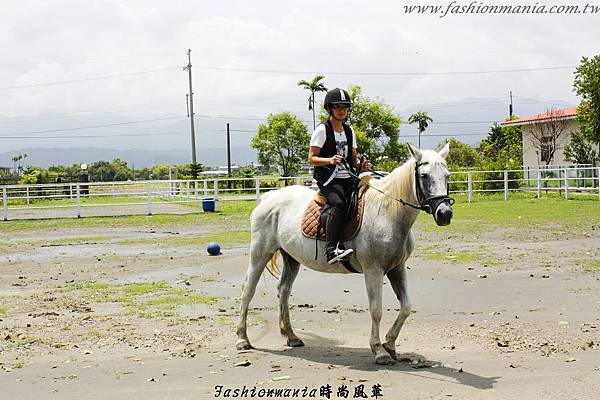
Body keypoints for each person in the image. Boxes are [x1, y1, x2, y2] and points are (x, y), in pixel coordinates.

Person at [308, 88, 371, 264]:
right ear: (330, 109)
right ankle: (331, 250)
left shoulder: (349, 131)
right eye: (337, 107)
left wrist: (361, 164)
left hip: (348, 176)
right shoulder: (322, 130)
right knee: (339, 202)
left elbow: (353, 159)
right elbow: (311, 158)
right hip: (328, 178)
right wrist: (329, 160)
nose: (342, 110)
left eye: (345, 107)